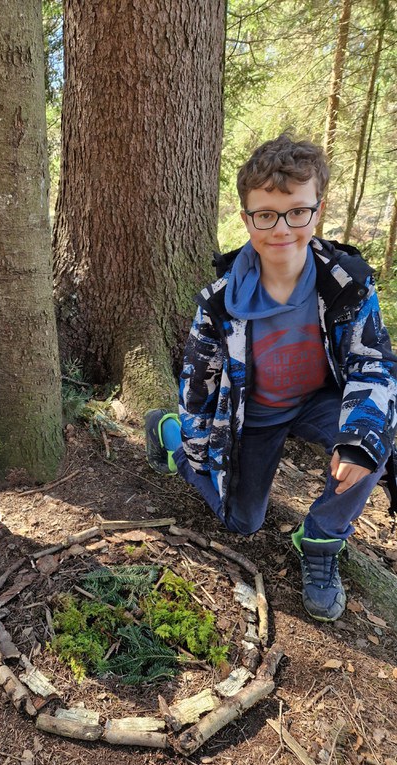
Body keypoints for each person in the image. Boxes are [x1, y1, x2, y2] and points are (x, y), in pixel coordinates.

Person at [146, 133, 397, 622]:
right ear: (246, 219)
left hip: (318, 401)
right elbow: (198, 386)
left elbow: (373, 362)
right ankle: (168, 436)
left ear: (317, 211)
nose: (282, 229)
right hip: (253, 416)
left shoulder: (346, 284)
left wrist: (359, 439)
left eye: (297, 212)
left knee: (375, 437)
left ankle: (321, 540)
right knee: (242, 521)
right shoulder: (220, 302)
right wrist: (195, 444)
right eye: (266, 215)